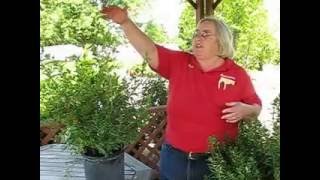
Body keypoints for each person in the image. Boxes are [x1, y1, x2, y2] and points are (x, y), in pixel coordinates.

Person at [101, 6, 262, 180]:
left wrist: (246, 110)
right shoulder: (179, 62)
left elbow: (256, 107)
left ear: (221, 41)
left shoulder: (237, 74)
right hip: (174, 157)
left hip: (216, 160)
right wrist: (125, 22)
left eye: (205, 34)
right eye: (196, 33)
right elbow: (149, 50)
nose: (198, 38)